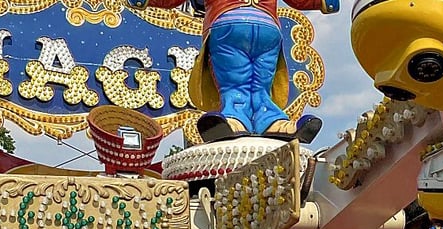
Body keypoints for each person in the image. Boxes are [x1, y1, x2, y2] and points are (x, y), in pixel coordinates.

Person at [128, 0, 336, 136]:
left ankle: (236, 119)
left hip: (230, 23)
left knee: (236, 84)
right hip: (266, 28)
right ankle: (273, 122)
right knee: (258, 86)